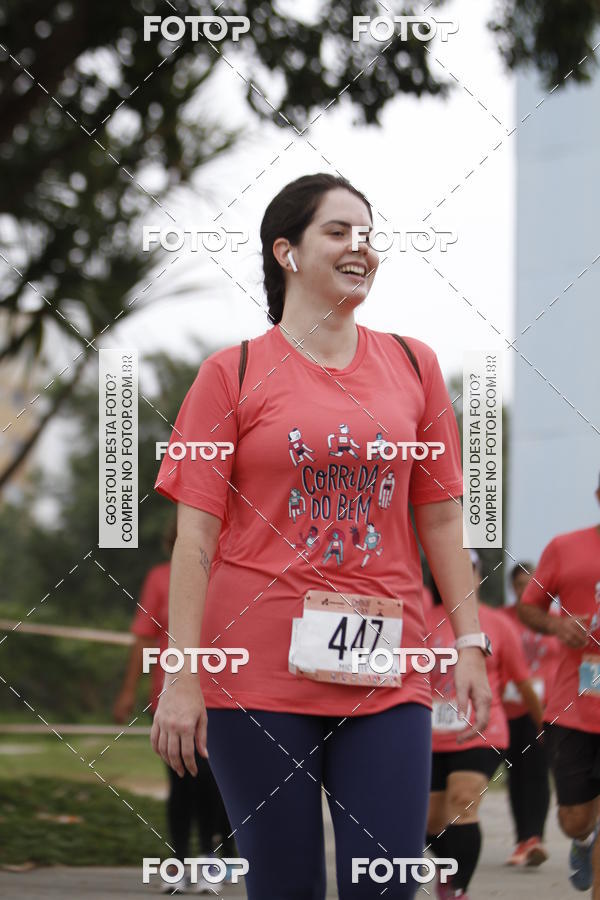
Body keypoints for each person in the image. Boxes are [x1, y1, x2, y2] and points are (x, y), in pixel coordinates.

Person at [150, 172, 493, 899]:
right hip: (259, 675)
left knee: (386, 883)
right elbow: (195, 542)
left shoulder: (414, 365)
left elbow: (439, 518)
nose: (359, 247)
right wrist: (182, 675)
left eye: (367, 234)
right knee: (285, 885)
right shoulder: (229, 374)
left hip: (389, 669)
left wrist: (469, 643)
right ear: (287, 253)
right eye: (337, 232)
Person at [113, 517, 235, 894]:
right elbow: (142, 638)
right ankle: (180, 862)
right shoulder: (158, 579)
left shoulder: (226, 576)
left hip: (222, 696)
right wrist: (128, 692)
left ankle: (216, 858)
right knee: (181, 781)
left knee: (213, 782)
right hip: (170, 696)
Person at [425, 552, 544, 899]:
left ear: (478, 578)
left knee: (462, 802)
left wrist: (543, 724)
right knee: (431, 822)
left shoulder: (496, 623)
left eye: (468, 570)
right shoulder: (420, 620)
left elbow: (522, 683)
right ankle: (451, 868)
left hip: (481, 733)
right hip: (429, 737)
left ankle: (458, 889)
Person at [518, 476, 600, 896]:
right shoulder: (566, 548)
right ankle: (583, 840)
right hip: (575, 706)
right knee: (575, 818)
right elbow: (528, 608)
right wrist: (556, 624)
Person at [500, 561, 560, 866]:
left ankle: (533, 838)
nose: (527, 590)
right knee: (516, 775)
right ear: (513, 587)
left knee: (536, 772)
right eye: (521, 585)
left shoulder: (557, 621)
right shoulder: (502, 619)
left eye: (532, 585)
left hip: (544, 708)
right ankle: (523, 839)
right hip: (507, 708)